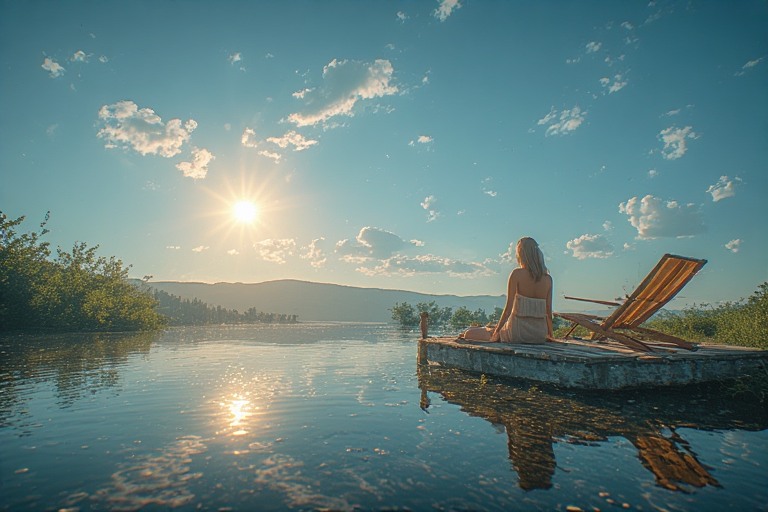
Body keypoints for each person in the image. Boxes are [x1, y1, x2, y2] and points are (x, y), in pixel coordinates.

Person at [462, 237, 553, 343]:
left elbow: (508, 310)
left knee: (468, 333)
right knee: (478, 330)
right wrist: (551, 336)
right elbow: (548, 313)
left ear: (521, 254)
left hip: (517, 333)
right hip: (539, 335)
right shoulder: (548, 279)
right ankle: (492, 330)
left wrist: (496, 332)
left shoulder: (517, 274)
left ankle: (493, 331)